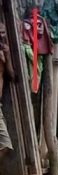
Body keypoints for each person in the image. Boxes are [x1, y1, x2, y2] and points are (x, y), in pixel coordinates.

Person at [0, 23, 15, 163]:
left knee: (5, 145)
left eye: (3, 33)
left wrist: (7, 57)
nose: (0, 35)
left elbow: (11, 76)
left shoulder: (4, 52)